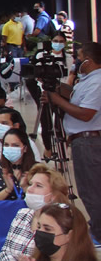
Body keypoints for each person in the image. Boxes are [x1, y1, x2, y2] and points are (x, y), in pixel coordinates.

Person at [43, 42, 101, 241]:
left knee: (91, 190)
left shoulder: (98, 81)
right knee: (88, 189)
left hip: (90, 141)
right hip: (82, 141)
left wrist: (58, 101)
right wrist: (60, 91)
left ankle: (99, 234)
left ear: (89, 61)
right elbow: (77, 100)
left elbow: (86, 114)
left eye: (79, 57)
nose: (76, 61)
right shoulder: (87, 80)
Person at [0, 128, 37, 210]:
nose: (10, 148)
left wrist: (26, 189)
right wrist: (8, 190)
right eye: (6, 145)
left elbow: (45, 201)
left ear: (25, 148)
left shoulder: (37, 170)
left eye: (15, 145)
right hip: (3, 216)